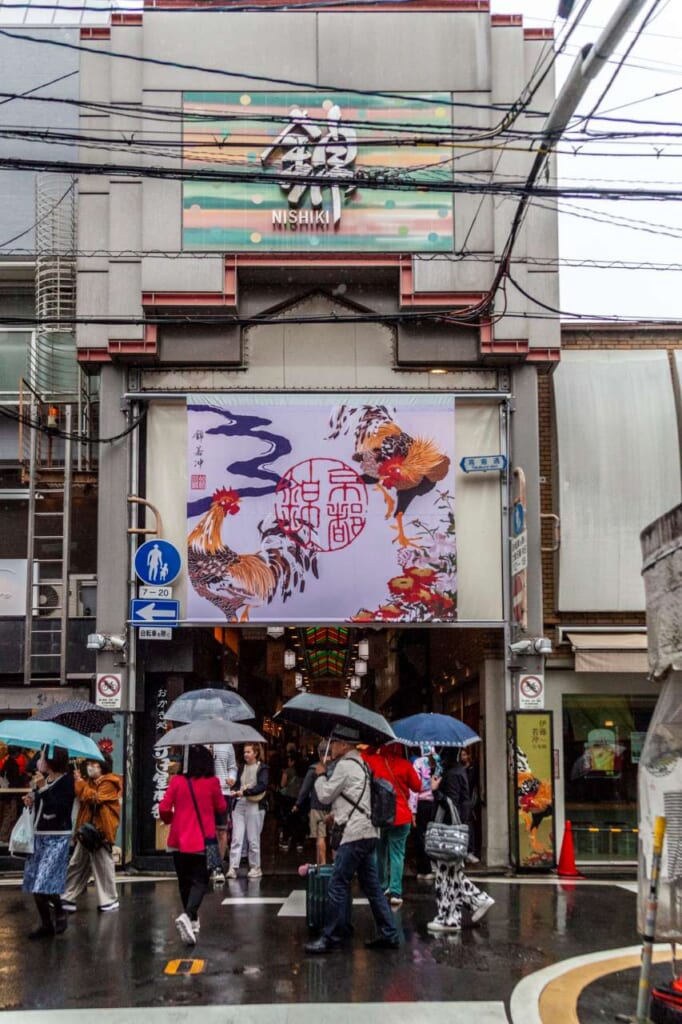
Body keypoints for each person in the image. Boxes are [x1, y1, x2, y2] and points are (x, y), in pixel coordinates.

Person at [304, 726, 401, 955]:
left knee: (337, 884)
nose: (332, 747)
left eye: (335, 742)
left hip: (354, 835)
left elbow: (325, 795)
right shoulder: (362, 764)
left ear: (344, 745)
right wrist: (335, 814)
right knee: (372, 887)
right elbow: (354, 797)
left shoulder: (345, 765)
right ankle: (389, 933)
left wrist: (320, 775)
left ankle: (330, 937)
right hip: (368, 832)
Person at [159, 744, 226, 945]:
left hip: (178, 840)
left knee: (184, 881)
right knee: (200, 881)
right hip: (202, 840)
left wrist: (172, 819)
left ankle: (193, 921)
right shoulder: (212, 782)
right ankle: (188, 915)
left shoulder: (177, 781)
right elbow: (221, 807)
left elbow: (164, 808)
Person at [427, 749, 494, 933]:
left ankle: (449, 918)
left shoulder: (451, 774)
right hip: (454, 832)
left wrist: (435, 791)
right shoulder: (458, 771)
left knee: (445, 876)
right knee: (453, 874)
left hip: (447, 832)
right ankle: (478, 900)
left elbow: (451, 803)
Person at [21, 746, 75, 939]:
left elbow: (59, 808)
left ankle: (58, 913)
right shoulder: (42, 780)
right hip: (39, 834)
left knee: (44, 881)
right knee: (35, 880)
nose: (39, 760)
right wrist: (31, 798)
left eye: (43, 757)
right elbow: (40, 800)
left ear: (52, 760)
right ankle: (47, 923)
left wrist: (43, 788)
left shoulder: (66, 781)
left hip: (57, 836)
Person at [62, 753, 122, 913]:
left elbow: (95, 798)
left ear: (103, 766)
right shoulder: (89, 782)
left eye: (94, 763)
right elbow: (83, 796)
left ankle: (109, 899)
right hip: (86, 829)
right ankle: (67, 896)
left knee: (102, 866)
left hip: (101, 831)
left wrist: (80, 783)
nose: (90, 767)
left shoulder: (110, 782)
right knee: (77, 863)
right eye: (89, 763)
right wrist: (80, 782)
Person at [363, 742, 421, 907]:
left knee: (380, 852)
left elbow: (362, 757)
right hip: (401, 815)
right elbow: (417, 786)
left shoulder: (375, 761)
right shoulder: (405, 765)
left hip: (381, 815)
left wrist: (373, 746)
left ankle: (382, 886)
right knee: (397, 854)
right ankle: (396, 891)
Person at [227, 742, 268, 879]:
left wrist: (244, 792)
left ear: (256, 753)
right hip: (241, 803)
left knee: (253, 838)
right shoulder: (241, 767)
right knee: (236, 837)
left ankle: (255, 867)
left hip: (253, 803)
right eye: (245, 752)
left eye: (248, 752)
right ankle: (233, 867)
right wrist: (234, 788)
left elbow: (262, 786)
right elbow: (238, 785)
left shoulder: (262, 768)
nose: (246, 754)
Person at [294, 741, 332, 866]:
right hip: (334, 806)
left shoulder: (314, 769)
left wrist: (298, 804)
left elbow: (305, 789)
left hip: (317, 805)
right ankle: (336, 863)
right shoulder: (336, 768)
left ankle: (322, 863)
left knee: (320, 836)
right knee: (335, 836)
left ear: (319, 753)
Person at [411, 744, 441, 881]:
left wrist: (413, 810)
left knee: (420, 835)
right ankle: (436, 864)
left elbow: (414, 788)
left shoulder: (418, 762)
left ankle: (424, 868)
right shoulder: (438, 761)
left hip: (421, 802)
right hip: (435, 802)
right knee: (434, 834)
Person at [210, 742, 237, 884]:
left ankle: (217, 866)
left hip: (223, 790)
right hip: (205, 790)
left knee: (221, 830)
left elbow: (232, 766)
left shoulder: (227, 745)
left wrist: (232, 777)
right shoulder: (202, 744)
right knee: (208, 831)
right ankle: (209, 863)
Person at [459, 746, 481, 863]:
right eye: (461, 755)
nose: (463, 757)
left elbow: (471, 783)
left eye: (464, 755)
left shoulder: (472, 768)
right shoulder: (460, 769)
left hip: (468, 800)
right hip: (462, 800)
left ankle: (470, 850)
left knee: (469, 824)